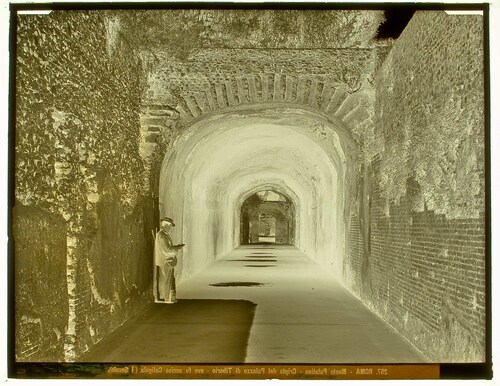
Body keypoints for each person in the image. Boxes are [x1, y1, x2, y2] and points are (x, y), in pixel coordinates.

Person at [154, 217, 185, 304]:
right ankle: (167, 299)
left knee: (169, 279)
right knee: (167, 280)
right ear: (166, 225)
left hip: (167, 260)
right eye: (170, 226)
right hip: (166, 261)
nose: (170, 228)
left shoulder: (163, 235)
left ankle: (170, 298)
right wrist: (177, 247)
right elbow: (167, 249)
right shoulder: (162, 236)